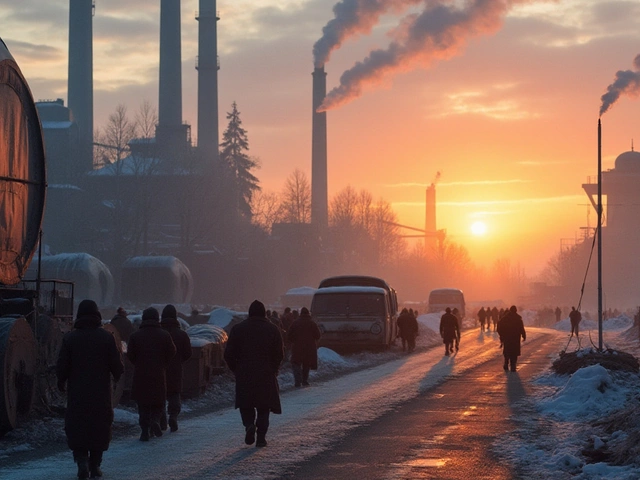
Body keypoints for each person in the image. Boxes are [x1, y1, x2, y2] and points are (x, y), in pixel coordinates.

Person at [56, 299, 124, 479]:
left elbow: (62, 366)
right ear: (97, 315)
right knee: (99, 426)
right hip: (100, 393)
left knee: (77, 425)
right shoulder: (106, 338)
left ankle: (81, 460)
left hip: (77, 393)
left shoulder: (70, 338)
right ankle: (95, 465)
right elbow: (117, 366)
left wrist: (60, 382)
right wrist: (117, 377)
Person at [224, 300, 284, 448]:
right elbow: (279, 354)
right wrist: (273, 368)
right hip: (266, 374)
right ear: (264, 313)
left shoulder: (238, 329)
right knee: (264, 407)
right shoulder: (273, 329)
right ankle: (261, 437)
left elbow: (228, 354)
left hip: (244, 373)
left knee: (246, 404)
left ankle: (249, 425)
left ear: (249, 313)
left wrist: (236, 369)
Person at [127, 307, 176, 441]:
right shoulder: (164, 335)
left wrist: (138, 363)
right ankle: (155, 420)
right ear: (156, 318)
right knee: (158, 402)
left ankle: (144, 430)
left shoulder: (135, 336)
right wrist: (163, 363)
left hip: (140, 374)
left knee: (142, 404)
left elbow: (130, 355)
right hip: (159, 373)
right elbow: (172, 352)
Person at [160, 304, 192, 432]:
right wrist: (178, 361)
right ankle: (173, 416)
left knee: (160, 395)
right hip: (175, 369)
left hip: (160, 370)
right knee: (174, 394)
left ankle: (161, 420)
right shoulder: (182, 334)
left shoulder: (160, 333)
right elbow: (188, 353)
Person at [287, 307, 321, 387]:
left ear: (300, 314)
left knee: (296, 363)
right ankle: (305, 381)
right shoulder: (312, 323)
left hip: (297, 347)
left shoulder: (295, 323)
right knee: (306, 364)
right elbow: (317, 335)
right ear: (308, 314)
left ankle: (297, 381)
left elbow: (289, 336)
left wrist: (293, 341)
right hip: (309, 348)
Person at [497, 305, 526, 372]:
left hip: (507, 338)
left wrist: (502, 335)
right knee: (514, 352)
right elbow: (521, 328)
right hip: (515, 338)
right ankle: (513, 365)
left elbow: (499, 327)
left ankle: (506, 363)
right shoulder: (518, 319)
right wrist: (524, 335)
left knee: (507, 351)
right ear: (516, 310)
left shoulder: (504, 319)